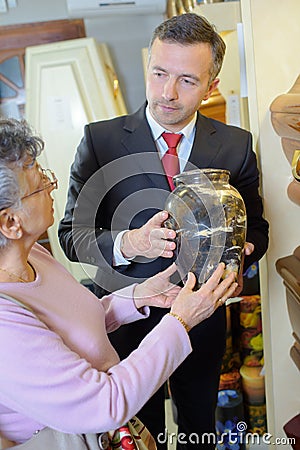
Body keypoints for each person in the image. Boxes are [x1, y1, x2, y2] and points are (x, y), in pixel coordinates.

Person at [58, 13, 269, 450]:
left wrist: (243, 250)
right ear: (148, 67)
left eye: (187, 80)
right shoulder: (100, 140)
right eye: (159, 73)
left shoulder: (236, 144)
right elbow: (70, 234)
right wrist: (128, 243)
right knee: (140, 431)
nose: (168, 93)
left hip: (203, 317)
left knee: (198, 425)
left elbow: (259, 230)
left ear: (211, 85)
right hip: (123, 319)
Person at [0, 117, 238, 447]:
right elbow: (105, 403)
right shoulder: (3, 323)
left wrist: (138, 296)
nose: (52, 184)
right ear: (10, 222)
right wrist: (180, 321)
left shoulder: (33, 256)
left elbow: (71, 326)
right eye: (40, 184)